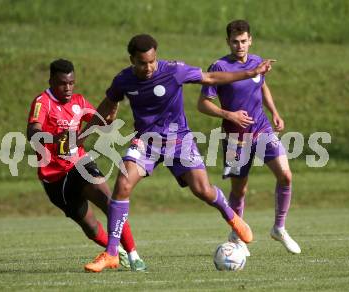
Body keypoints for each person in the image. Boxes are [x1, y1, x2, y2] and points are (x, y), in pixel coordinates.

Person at [80, 34, 274, 272]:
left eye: (152, 61)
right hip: (146, 141)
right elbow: (107, 104)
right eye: (142, 63)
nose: (149, 67)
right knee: (122, 184)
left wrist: (250, 73)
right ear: (132, 60)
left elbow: (211, 77)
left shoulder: (174, 71)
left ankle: (232, 216)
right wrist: (85, 133)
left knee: (202, 190)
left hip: (179, 140)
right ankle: (111, 253)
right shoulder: (124, 80)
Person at [26, 59, 147, 272]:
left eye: (72, 83)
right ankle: (115, 251)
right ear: (52, 81)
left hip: (79, 164)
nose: (68, 88)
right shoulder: (42, 102)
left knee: (111, 203)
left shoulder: (79, 102)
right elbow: (32, 132)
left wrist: (113, 108)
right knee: (90, 227)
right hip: (54, 177)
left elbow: (102, 120)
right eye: (63, 83)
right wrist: (56, 138)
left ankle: (134, 255)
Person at [198, 20, 301, 255]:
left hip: (262, 129)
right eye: (235, 41)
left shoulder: (257, 62)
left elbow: (261, 85)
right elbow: (202, 104)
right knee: (240, 190)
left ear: (250, 40)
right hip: (236, 137)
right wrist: (229, 114)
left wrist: (274, 112)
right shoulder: (219, 67)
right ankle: (237, 235)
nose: (240, 45)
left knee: (285, 175)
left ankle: (279, 228)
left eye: (243, 41)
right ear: (228, 42)